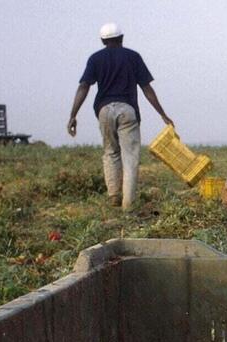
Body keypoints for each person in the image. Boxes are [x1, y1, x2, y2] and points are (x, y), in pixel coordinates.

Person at [67, 22, 173, 209]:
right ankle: (128, 204)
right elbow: (147, 88)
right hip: (127, 111)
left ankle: (114, 195)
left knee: (110, 152)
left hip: (104, 110)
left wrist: (73, 116)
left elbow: (84, 86)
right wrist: (163, 114)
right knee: (130, 156)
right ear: (122, 38)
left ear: (102, 40)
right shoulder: (133, 57)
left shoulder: (95, 59)